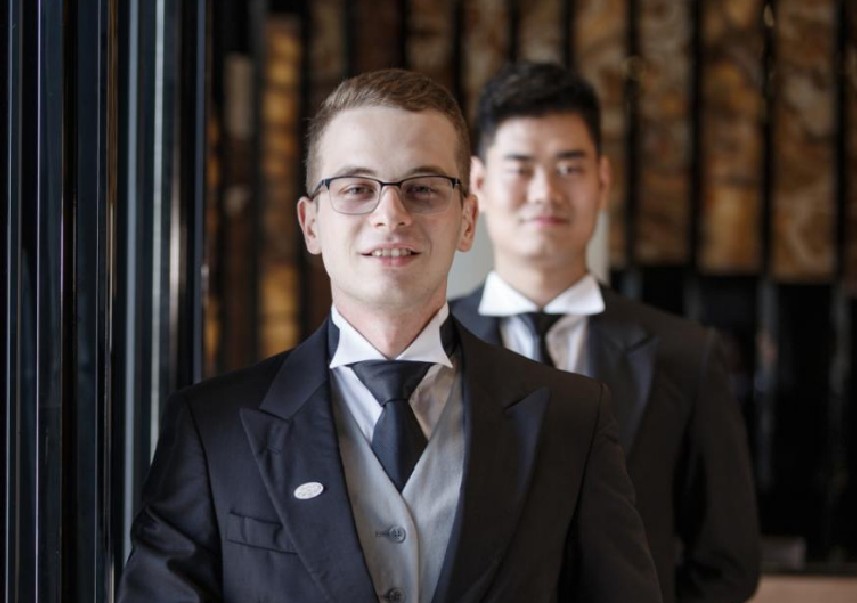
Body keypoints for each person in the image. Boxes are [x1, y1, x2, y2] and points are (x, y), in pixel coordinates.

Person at [117, 68, 662, 603]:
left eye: (422, 189)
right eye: (357, 189)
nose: (391, 215)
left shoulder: (572, 419)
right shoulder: (212, 428)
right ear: (311, 224)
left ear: (467, 220)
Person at [451, 62, 760, 603]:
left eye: (569, 168)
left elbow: (728, 563)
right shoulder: (431, 342)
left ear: (603, 179)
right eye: (521, 168)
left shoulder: (685, 355)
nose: (545, 192)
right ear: (478, 183)